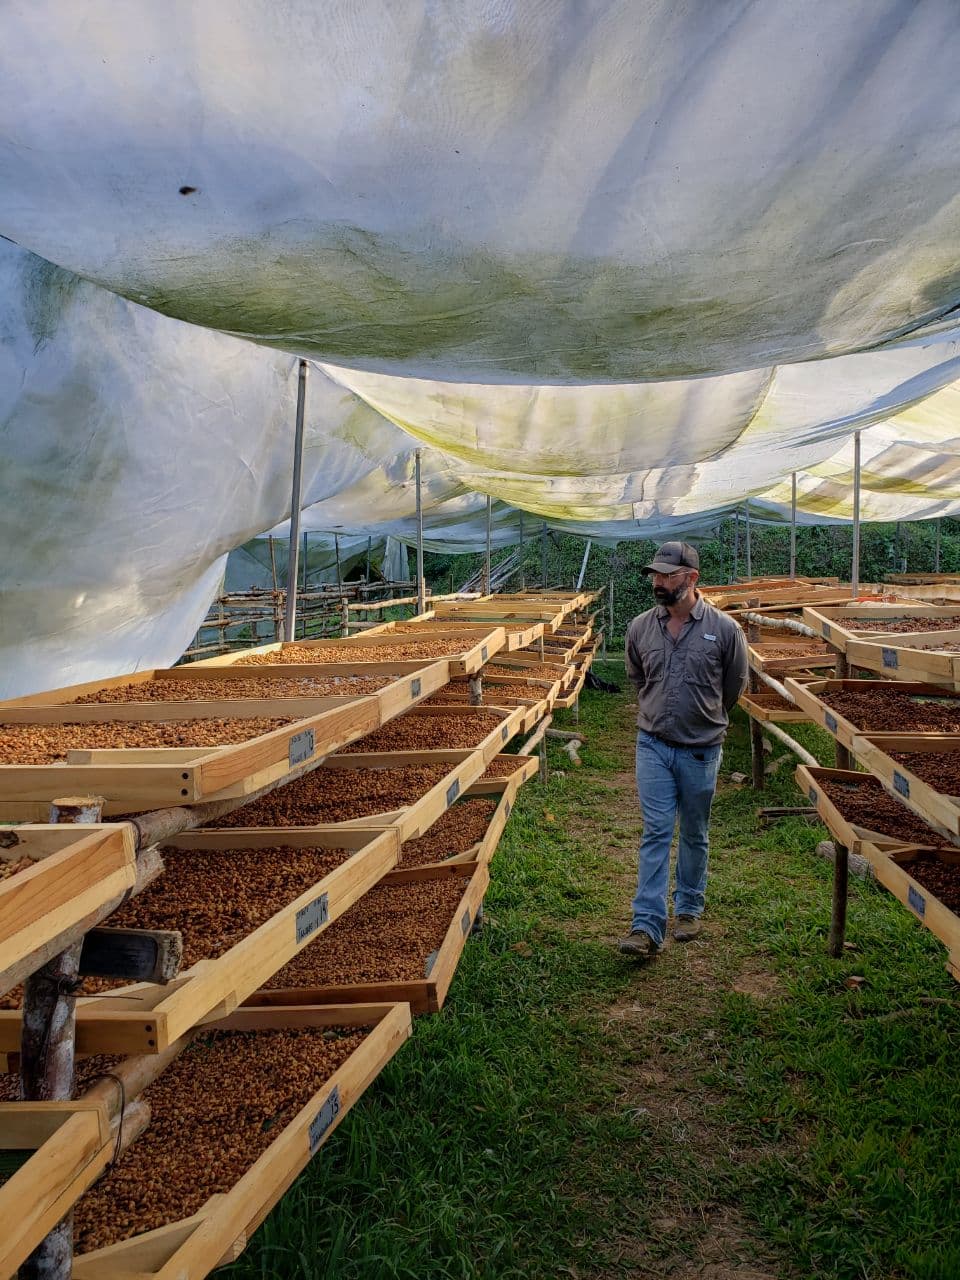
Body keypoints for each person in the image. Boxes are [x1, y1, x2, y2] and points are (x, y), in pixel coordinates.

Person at [619, 541, 747, 959]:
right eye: (654, 575)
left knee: (694, 830)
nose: (658, 582)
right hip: (652, 742)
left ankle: (689, 907)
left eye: (667, 575)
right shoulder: (640, 627)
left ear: (691, 579)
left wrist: (705, 717)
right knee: (656, 830)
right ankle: (646, 925)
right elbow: (638, 677)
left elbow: (733, 686)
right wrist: (658, 710)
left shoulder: (725, 630)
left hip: (701, 749)